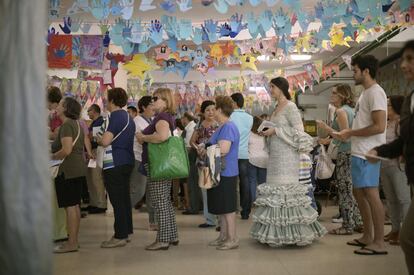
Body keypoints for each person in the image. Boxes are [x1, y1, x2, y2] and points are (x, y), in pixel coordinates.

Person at [250, 77, 326, 246]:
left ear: (282, 88)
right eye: (270, 87)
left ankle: (292, 233)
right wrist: (267, 131)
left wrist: (275, 131)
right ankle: (276, 233)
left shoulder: (291, 107)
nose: (270, 90)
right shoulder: (276, 108)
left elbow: (299, 131)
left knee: (286, 191)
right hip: (276, 155)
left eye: (273, 87)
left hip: (287, 156)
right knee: (275, 191)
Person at [332, 55, 388, 255]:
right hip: (358, 151)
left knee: (371, 194)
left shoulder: (376, 93)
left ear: (366, 71)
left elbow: (379, 126)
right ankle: (367, 235)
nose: (352, 73)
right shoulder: (365, 94)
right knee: (359, 194)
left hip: (368, 153)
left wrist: (350, 132)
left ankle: (379, 241)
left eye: (355, 70)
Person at [368, 40, 414, 271]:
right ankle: (395, 229)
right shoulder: (411, 99)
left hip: (401, 168)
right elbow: (405, 140)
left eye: (410, 59)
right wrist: (379, 151)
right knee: (408, 239)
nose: (404, 65)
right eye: (403, 59)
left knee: (408, 238)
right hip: (401, 169)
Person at [316, 84, 363, 235]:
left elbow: (344, 136)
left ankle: (348, 225)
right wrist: (329, 140)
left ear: (342, 96)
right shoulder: (350, 111)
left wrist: (326, 128)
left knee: (344, 191)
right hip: (351, 152)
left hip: (346, 153)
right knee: (350, 190)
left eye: (334, 93)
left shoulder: (341, 111)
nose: (331, 95)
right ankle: (357, 222)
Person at [137, 88, 179, 251]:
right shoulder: (166, 117)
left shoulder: (161, 117)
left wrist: (143, 137)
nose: (152, 101)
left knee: (159, 201)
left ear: (166, 101)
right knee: (165, 201)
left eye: (156, 98)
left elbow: (162, 137)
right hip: (162, 163)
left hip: (158, 164)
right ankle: (171, 235)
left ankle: (162, 239)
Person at [98, 88, 136, 248]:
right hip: (126, 160)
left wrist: (98, 139)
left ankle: (119, 235)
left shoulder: (116, 116)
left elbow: (106, 141)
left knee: (117, 199)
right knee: (124, 198)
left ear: (112, 100)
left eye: (107, 99)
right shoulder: (128, 116)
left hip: (115, 161)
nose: (106, 102)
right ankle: (126, 232)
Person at [202, 96, 240, 250]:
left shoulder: (228, 127)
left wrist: (206, 149)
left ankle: (232, 238)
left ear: (220, 109)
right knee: (222, 207)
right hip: (217, 171)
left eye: (215, 108)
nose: (213, 111)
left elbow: (223, 150)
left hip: (226, 172)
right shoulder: (221, 126)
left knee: (228, 208)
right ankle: (223, 236)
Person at [51, 97, 86, 253]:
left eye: (59, 105)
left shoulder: (66, 126)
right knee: (75, 205)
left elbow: (66, 150)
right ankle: (74, 240)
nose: (56, 107)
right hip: (77, 168)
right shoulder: (76, 124)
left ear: (65, 108)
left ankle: (71, 243)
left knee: (70, 207)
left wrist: (50, 156)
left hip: (67, 170)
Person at [381, 96, 410, 245]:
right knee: (391, 200)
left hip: (398, 167)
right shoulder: (386, 124)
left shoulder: (400, 123)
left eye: (389, 106)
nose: (387, 108)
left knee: (403, 199)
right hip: (384, 166)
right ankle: (395, 229)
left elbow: (403, 144)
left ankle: (406, 232)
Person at [190, 100, 219, 228]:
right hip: (203, 161)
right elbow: (192, 141)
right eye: (208, 110)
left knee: (218, 189)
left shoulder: (219, 124)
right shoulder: (199, 124)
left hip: (217, 161)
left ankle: (220, 219)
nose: (211, 112)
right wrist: (199, 149)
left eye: (213, 109)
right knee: (205, 190)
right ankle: (210, 220)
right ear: (203, 112)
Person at [130, 96, 157, 231]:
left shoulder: (152, 120)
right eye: (151, 105)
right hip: (139, 159)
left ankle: (153, 222)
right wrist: (156, 137)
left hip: (151, 160)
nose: (154, 107)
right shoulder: (137, 121)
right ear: (143, 107)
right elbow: (141, 140)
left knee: (152, 192)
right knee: (138, 191)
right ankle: (124, 214)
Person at [230, 92, 253, 219]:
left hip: (231, 153)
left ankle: (232, 210)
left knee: (231, 184)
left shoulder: (229, 117)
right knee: (245, 183)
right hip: (244, 154)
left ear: (234, 103)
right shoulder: (250, 118)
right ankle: (246, 212)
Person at [86, 104, 107, 214]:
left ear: (94, 111)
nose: (87, 113)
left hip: (96, 152)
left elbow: (94, 137)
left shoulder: (99, 121)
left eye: (89, 110)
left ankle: (101, 204)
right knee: (91, 178)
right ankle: (93, 202)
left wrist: (88, 136)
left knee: (96, 177)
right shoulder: (94, 122)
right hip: (92, 153)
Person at [181, 112, 202, 215]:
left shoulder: (192, 127)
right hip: (193, 155)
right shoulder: (192, 127)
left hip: (192, 156)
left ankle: (194, 206)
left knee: (192, 182)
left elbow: (190, 144)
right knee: (193, 182)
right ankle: (195, 206)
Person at [247, 116, 268, 202]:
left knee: (252, 181)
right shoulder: (265, 134)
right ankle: (263, 200)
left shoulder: (248, 134)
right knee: (262, 182)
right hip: (264, 159)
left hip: (251, 159)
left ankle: (253, 201)